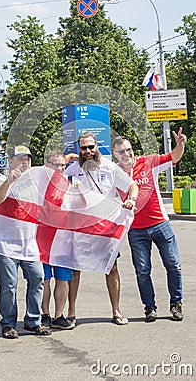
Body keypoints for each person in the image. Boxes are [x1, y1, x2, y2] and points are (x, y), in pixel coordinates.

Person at [112, 127, 187, 322]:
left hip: (160, 224)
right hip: (136, 230)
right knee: (143, 270)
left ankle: (176, 303)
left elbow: (174, 158)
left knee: (173, 265)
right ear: (115, 155)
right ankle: (149, 307)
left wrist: (180, 145)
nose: (127, 154)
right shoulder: (113, 174)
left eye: (129, 149)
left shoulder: (148, 162)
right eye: (122, 152)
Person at [65, 132, 139, 326]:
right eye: (83, 148)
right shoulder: (73, 169)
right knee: (75, 268)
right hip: (81, 227)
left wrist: (131, 199)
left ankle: (116, 311)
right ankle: (71, 313)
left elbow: (132, 185)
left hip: (106, 227)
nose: (88, 151)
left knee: (111, 268)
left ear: (97, 146)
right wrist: (68, 159)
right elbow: (54, 178)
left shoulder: (109, 166)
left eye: (91, 147)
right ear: (79, 149)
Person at [0, 145, 51, 339]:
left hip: (29, 244)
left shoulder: (35, 182)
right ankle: (8, 323)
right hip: (5, 244)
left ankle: (33, 320)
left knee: (37, 278)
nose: (25, 162)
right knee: (9, 285)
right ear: (11, 162)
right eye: (21, 159)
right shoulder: (2, 179)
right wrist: (10, 181)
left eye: (28, 159)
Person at [41, 152, 75, 330]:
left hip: (63, 240)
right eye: (56, 165)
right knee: (44, 279)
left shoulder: (69, 186)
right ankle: (45, 314)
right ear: (47, 165)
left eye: (63, 165)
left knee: (63, 279)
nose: (61, 169)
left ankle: (58, 316)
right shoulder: (39, 185)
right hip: (42, 240)